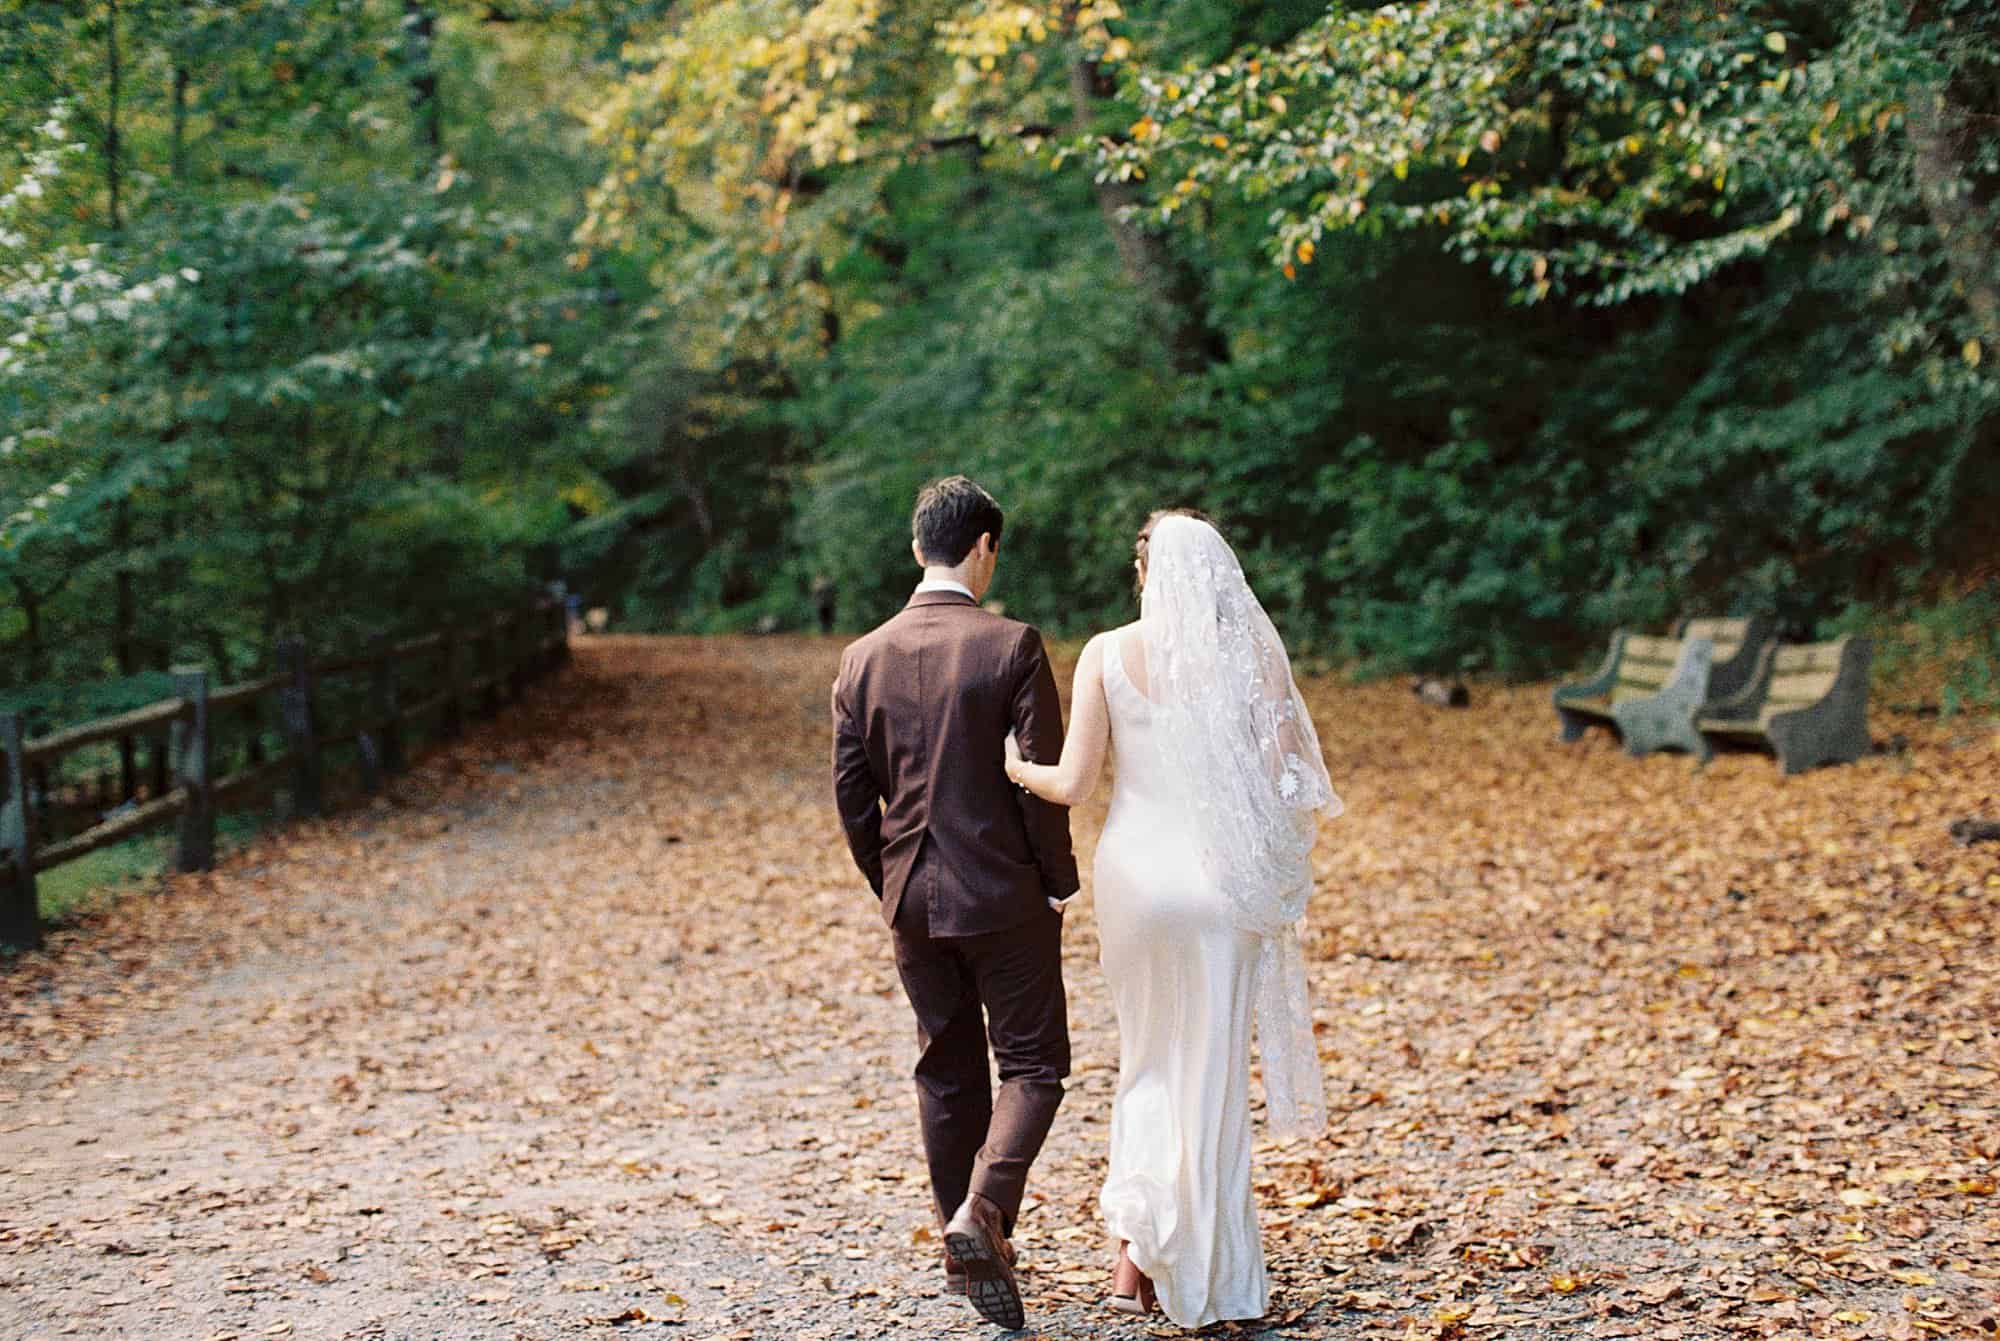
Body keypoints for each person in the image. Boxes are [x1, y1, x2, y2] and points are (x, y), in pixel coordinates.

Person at [1004, 510, 1341, 1327]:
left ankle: (1134, 1261)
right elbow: (1287, 780)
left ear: (1146, 570)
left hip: (1138, 881)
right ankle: (1217, 1275)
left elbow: (1075, 782)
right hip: (1220, 887)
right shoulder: (1254, 657)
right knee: (1213, 1075)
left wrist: (1017, 766)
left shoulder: (1107, 652)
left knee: (1148, 1060)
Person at [829, 475, 1080, 1330]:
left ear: (915, 549)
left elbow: (853, 797)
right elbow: (1040, 781)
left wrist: (892, 881)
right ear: (984, 547)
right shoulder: (1012, 644)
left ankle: (962, 1240)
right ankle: (982, 1214)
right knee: (1036, 1064)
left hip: (912, 900)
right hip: (1004, 892)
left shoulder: (861, 658)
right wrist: (1056, 880)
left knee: (945, 1068)